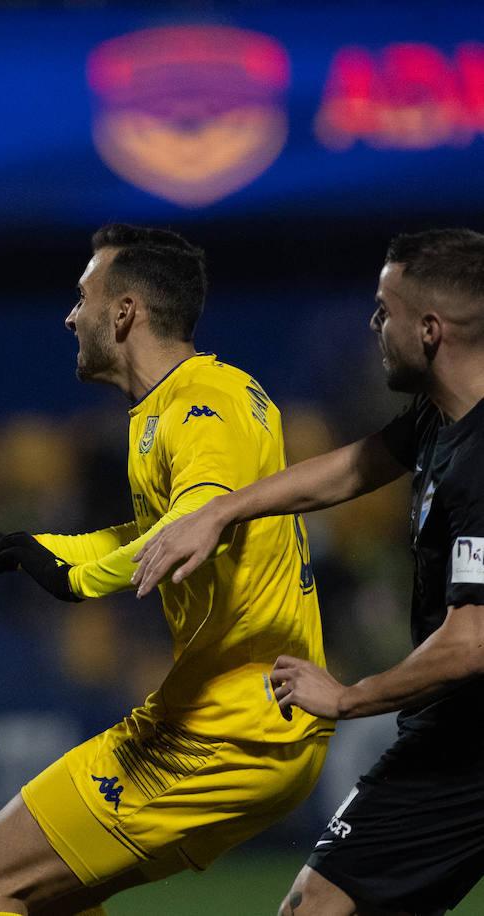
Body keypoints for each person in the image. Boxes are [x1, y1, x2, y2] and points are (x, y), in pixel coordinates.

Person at [0, 224, 334, 916]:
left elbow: (199, 516)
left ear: (125, 312)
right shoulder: (180, 406)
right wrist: (14, 548)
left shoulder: (203, 405)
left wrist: (74, 578)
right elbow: (147, 531)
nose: (71, 316)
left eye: (83, 297)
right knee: (50, 897)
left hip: (225, 729)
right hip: (245, 719)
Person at [132, 228, 484, 916]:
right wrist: (221, 512)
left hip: (464, 743)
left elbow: (473, 641)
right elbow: (347, 470)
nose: (374, 326)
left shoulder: (481, 458)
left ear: (432, 330)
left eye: (386, 311)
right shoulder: (441, 422)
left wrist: (349, 698)